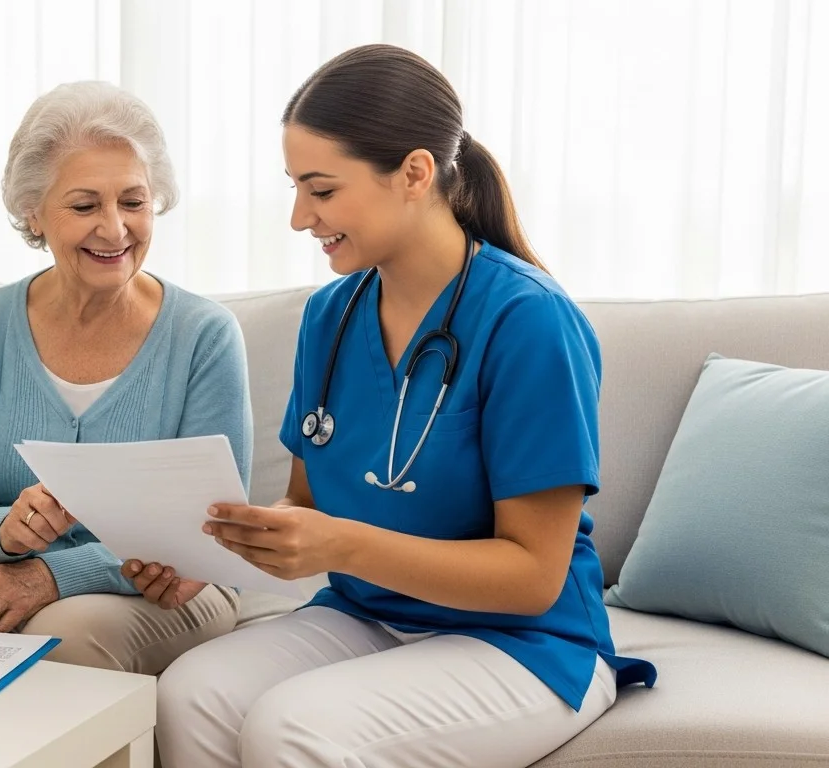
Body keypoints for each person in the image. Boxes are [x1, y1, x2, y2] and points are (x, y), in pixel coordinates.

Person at [156, 44, 657, 768]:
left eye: (321, 190)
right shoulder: (330, 316)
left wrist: (339, 545)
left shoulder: (529, 321)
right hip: (369, 614)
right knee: (191, 689)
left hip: (525, 642)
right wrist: (219, 546)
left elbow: (532, 576)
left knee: (292, 725)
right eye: (295, 187)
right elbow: (305, 502)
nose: (300, 217)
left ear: (415, 173)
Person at [0, 81, 253, 676]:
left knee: (68, 644)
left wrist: (52, 574)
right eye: (85, 206)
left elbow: (206, 529)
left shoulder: (205, 334)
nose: (115, 230)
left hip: (168, 582)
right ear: (33, 211)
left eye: (133, 202)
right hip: (9, 564)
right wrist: (6, 531)